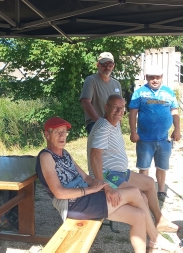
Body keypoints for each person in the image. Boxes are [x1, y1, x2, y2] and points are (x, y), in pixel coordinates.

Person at [36, 116, 182, 253]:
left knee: (138, 215)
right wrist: (90, 190)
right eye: (57, 132)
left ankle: (148, 245)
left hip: (86, 199)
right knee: (134, 192)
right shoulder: (46, 156)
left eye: (64, 132)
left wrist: (106, 187)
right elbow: (59, 193)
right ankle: (155, 238)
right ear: (47, 135)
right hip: (73, 205)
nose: (62, 136)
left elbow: (86, 177)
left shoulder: (65, 153)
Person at [87, 94, 179, 233]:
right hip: (108, 175)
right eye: (115, 107)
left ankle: (159, 220)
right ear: (106, 107)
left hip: (119, 172)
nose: (119, 111)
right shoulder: (103, 128)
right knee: (140, 197)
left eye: (122, 107)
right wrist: (102, 184)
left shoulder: (113, 122)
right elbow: (95, 156)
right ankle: (150, 234)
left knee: (149, 183)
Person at [129, 66, 181, 203]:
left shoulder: (169, 92)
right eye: (152, 77)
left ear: (162, 77)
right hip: (144, 139)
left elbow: (174, 111)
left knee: (162, 167)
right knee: (144, 167)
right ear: (146, 77)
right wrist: (133, 132)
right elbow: (133, 112)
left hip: (164, 139)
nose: (155, 80)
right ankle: (143, 192)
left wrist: (177, 130)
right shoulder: (139, 92)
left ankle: (161, 190)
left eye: (157, 77)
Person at [80, 52, 122, 134]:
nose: (107, 68)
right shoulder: (91, 80)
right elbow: (85, 102)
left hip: (114, 124)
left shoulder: (117, 84)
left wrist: (119, 124)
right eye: (104, 65)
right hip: (95, 122)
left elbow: (121, 106)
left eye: (110, 65)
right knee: (99, 147)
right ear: (97, 65)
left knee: (115, 147)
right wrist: (99, 122)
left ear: (113, 66)